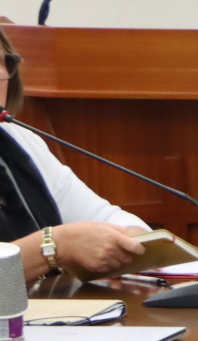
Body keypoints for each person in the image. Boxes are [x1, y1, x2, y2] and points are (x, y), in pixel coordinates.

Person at [0, 26, 147, 279]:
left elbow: (105, 218)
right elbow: (64, 242)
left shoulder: (20, 140)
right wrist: (53, 246)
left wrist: (130, 239)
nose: (1, 74)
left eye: (2, 62)